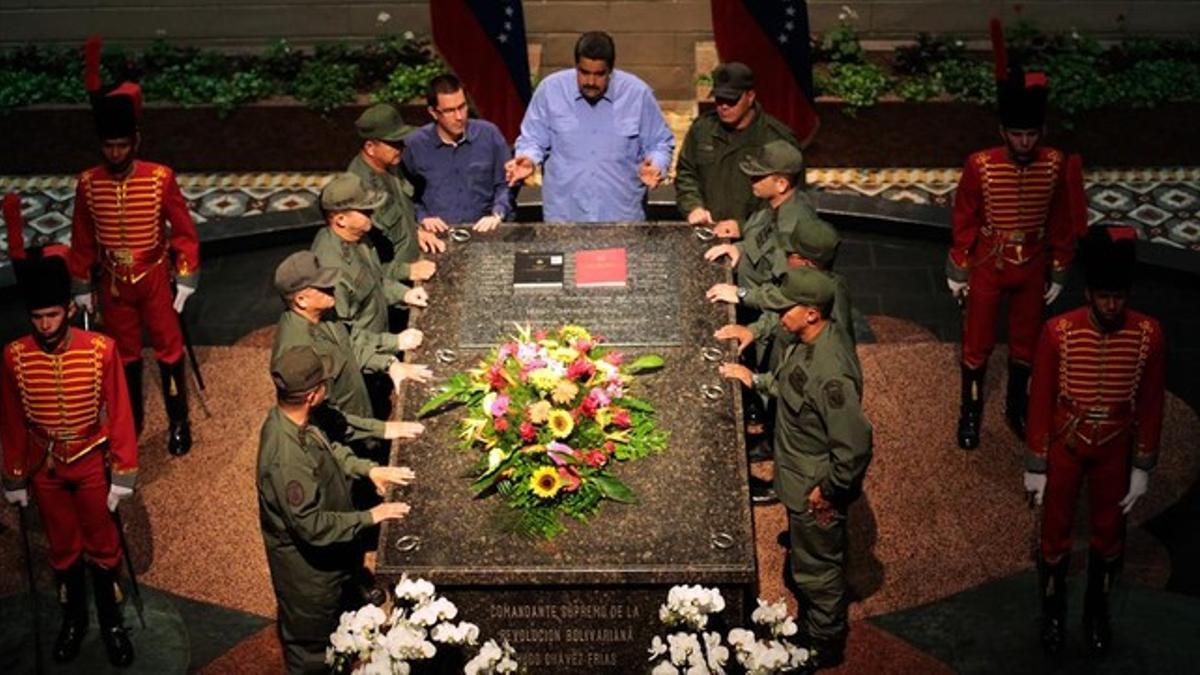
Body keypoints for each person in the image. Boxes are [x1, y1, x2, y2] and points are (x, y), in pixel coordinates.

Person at [719, 268, 872, 672]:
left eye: (787, 308)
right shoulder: (805, 342)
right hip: (797, 471)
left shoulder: (832, 373)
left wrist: (830, 491)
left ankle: (821, 642)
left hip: (814, 489)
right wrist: (755, 379)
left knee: (818, 572)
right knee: (808, 557)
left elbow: (854, 447)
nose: (780, 314)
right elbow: (789, 385)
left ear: (811, 313)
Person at [1023, 226, 1165, 656]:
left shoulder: (1148, 334)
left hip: (1115, 450)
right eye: (1104, 295)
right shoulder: (1057, 332)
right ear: (1089, 293)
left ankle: (1096, 613)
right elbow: (1042, 399)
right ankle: (1052, 615)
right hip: (1066, 445)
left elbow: (1151, 401)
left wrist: (1142, 466)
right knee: (1054, 535)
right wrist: (1036, 464)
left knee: (1108, 536)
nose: (1111, 305)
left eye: (1118, 296)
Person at [1, 246, 138, 667]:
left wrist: (123, 474)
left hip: (91, 460)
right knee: (63, 547)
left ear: (66, 310)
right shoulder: (14, 357)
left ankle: (112, 621)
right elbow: (11, 420)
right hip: (45, 466)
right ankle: (74, 620)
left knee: (103, 544)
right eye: (37, 318)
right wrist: (15, 476)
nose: (45, 326)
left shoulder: (101, 349)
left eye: (53, 316)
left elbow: (119, 412)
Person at [947, 19, 1081, 450]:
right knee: (977, 343)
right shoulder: (980, 164)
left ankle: (1017, 407)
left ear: (1040, 133)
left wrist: (1059, 268)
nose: (1024, 142)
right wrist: (959, 264)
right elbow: (965, 215)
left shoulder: (1055, 164)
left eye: (1031, 134)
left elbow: (1062, 217)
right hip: (989, 260)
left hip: (1032, 263)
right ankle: (970, 412)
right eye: (1016, 133)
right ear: (1003, 132)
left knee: (1026, 342)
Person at [69, 41, 199, 456]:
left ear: (136, 141)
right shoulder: (88, 183)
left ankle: (179, 420)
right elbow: (82, 236)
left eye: (122, 145)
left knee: (168, 349)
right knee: (123, 355)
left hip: (156, 277)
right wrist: (81, 284)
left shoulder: (160, 177)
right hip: (113, 283)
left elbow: (182, 231)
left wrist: (186, 276)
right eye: (109, 146)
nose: (115, 153)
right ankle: (134, 420)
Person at [257, 345, 416, 673]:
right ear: (312, 394)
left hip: (331, 559)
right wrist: (369, 516)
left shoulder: (300, 421)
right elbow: (313, 525)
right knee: (314, 647)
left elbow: (329, 451)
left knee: (340, 624)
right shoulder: (286, 459)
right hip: (309, 576)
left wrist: (368, 469)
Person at [506, 31, 675, 223]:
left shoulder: (637, 94)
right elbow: (533, 139)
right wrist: (528, 158)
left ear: (610, 71)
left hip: (622, 222)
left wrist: (656, 165)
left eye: (599, 74)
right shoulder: (550, 91)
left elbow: (660, 143)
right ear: (576, 66)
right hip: (565, 221)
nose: (591, 82)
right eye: (584, 72)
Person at [270, 251, 430, 448]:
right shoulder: (298, 353)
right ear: (301, 300)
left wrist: (389, 363)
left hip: (361, 418)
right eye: (323, 287)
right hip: (343, 442)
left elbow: (351, 341)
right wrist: (382, 430)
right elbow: (323, 417)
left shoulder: (323, 312)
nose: (332, 288)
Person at [311, 173, 428, 362]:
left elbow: (375, 280)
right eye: (365, 211)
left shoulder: (359, 238)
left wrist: (402, 294)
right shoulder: (331, 272)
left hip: (377, 340)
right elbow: (342, 335)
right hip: (363, 359)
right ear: (340, 219)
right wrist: (394, 342)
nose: (372, 214)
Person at [676, 62, 802, 238]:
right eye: (719, 99)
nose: (724, 106)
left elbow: (791, 201)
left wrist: (744, 227)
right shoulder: (702, 129)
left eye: (732, 100)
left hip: (756, 243)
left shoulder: (776, 138)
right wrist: (693, 207)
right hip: (708, 233)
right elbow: (686, 173)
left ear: (750, 96)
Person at [402, 73, 513, 232]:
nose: (459, 116)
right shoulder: (415, 144)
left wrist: (497, 213)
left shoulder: (489, 135)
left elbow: (506, 183)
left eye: (462, 107)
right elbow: (404, 193)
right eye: (449, 111)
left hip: (485, 232)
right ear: (433, 112)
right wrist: (422, 217)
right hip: (437, 235)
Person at [347, 103, 441, 285]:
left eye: (402, 141)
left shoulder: (391, 165)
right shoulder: (358, 192)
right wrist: (407, 271)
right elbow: (362, 262)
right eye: (394, 143)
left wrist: (416, 231)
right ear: (370, 147)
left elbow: (401, 211)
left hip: (413, 271)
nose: (402, 147)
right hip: (392, 286)